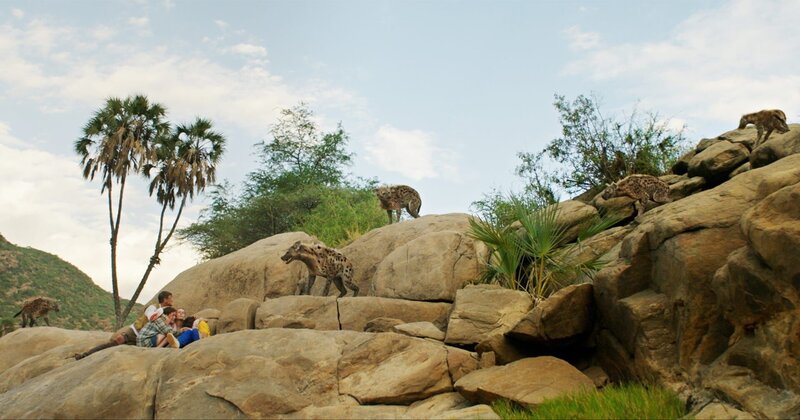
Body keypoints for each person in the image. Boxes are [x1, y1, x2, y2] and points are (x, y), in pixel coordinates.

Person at [74, 290, 175, 359]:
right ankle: (85, 355)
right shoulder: (153, 307)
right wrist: (158, 316)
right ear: (165, 299)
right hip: (134, 332)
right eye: (170, 298)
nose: (172, 300)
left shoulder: (166, 311)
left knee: (121, 351)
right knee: (115, 342)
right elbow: (150, 316)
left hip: (143, 338)